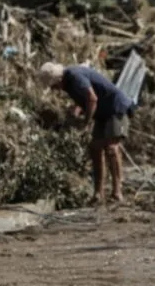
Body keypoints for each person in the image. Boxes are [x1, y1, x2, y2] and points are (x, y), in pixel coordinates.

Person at [37, 62, 135, 204]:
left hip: (115, 108)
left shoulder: (74, 76)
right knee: (95, 147)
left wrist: (86, 121)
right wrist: (77, 110)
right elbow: (84, 100)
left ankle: (117, 192)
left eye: (54, 86)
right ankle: (98, 193)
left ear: (57, 80)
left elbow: (92, 98)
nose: (54, 90)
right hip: (102, 113)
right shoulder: (69, 83)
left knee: (112, 148)